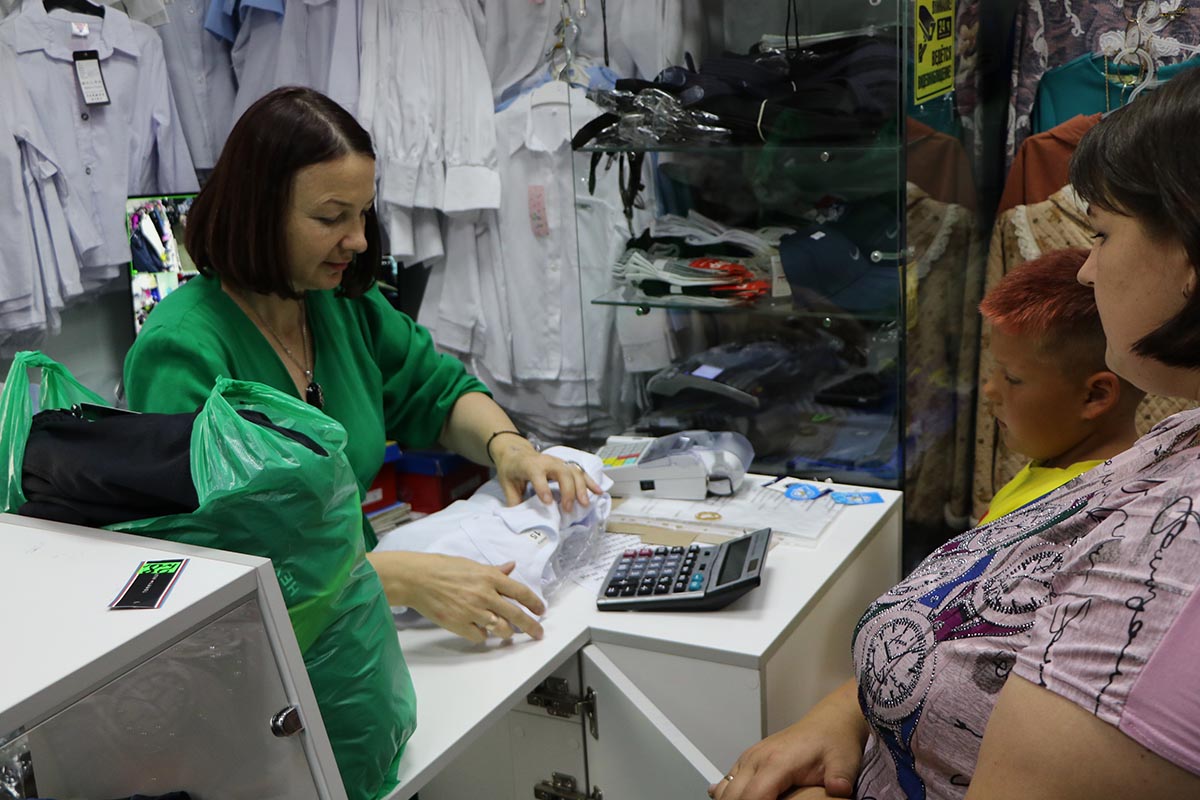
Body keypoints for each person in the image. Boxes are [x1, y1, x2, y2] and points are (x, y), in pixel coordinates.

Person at [711, 67, 1200, 800]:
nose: (1088, 270)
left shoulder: (1178, 567)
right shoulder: (1181, 438)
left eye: (1102, 234)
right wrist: (843, 714)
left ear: (1190, 252)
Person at [123, 86, 601, 644]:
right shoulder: (181, 351)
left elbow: (437, 392)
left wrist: (509, 447)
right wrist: (398, 577)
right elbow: (211, 558)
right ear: (258, 213)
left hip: (356, 615)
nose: (356, 240)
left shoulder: (340, 303)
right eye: (331, 218)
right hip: (264, 640)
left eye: (363, 213)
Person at [976, 247, 1143, 524]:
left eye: (1012, 378)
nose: (989, 389)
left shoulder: (1068, 518)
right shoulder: (1057, 463)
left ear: (1095, 396)